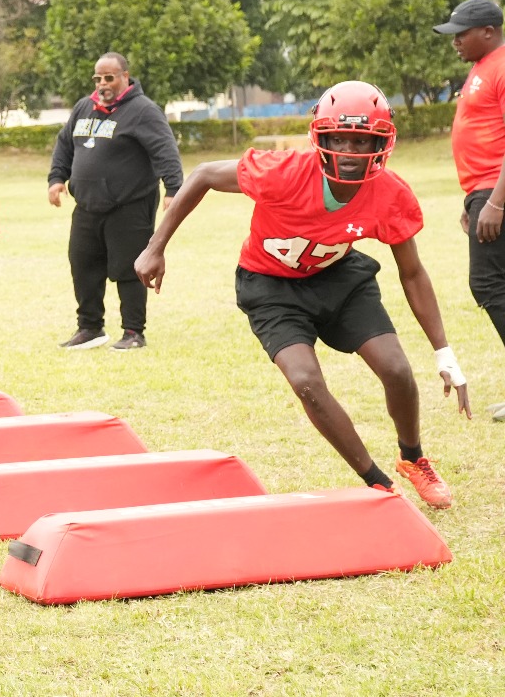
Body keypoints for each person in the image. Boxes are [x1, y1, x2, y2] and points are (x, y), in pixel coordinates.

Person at [134, 80, 470, 508]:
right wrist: (155, 246)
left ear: (382, 141)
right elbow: (201, 175)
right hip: (270, 285)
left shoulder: (389, 192)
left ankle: (413, 457)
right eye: (340, 138)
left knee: (397, 369)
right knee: (306, 380)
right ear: (321, 137)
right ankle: (377, 482)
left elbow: (413, 272)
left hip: (338, 276)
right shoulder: (284, 171)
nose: (349, 150)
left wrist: (443, 352)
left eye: (362, 139)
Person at [48, 52, 183, 351]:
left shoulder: (143, 111)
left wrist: (174, 189)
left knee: (130, 269)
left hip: (130, 205)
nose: (103, 84)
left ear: (125, 76)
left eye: (109, 78)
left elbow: (165, 149)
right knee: (82, 266)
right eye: (98, 79)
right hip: (87, 207)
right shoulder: (84, 107)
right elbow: (65, 144)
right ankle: (90, 328)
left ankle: (134, 332)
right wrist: (56, 178)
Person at [433, 0, 505, 421]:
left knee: (487, 284)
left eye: (462, 33)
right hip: (482, 192)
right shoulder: (481, 69)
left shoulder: (501, 66)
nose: (456, 40)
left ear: (489, 32)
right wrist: (473, 202)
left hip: (496, 193)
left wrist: (494, 201)